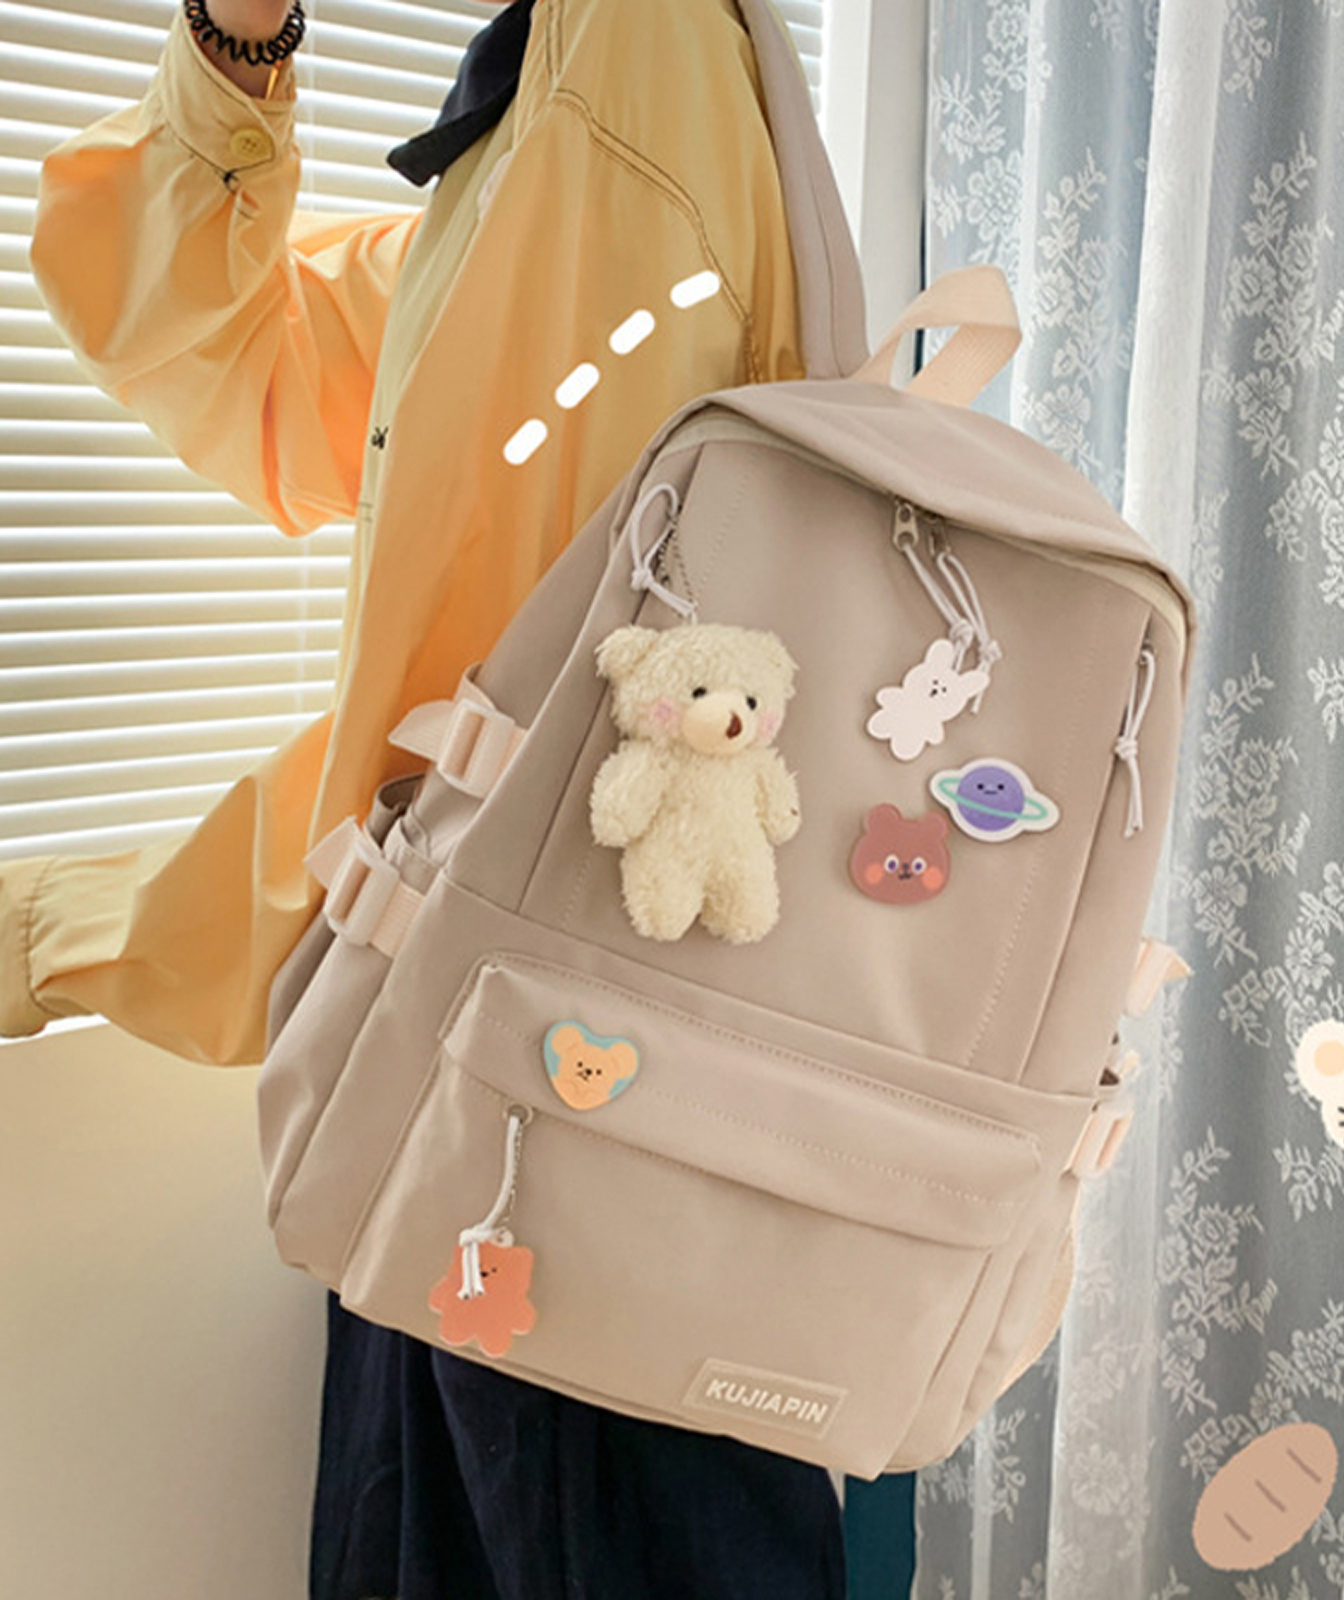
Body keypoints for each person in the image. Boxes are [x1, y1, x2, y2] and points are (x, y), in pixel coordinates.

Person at [22, 1, 850, 1594]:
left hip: (543, 1098)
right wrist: (240, 46)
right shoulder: (545, 120)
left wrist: (71, 932)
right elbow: (252, 362)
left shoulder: (629, 66)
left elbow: (487, 727)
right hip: (547, 1078)